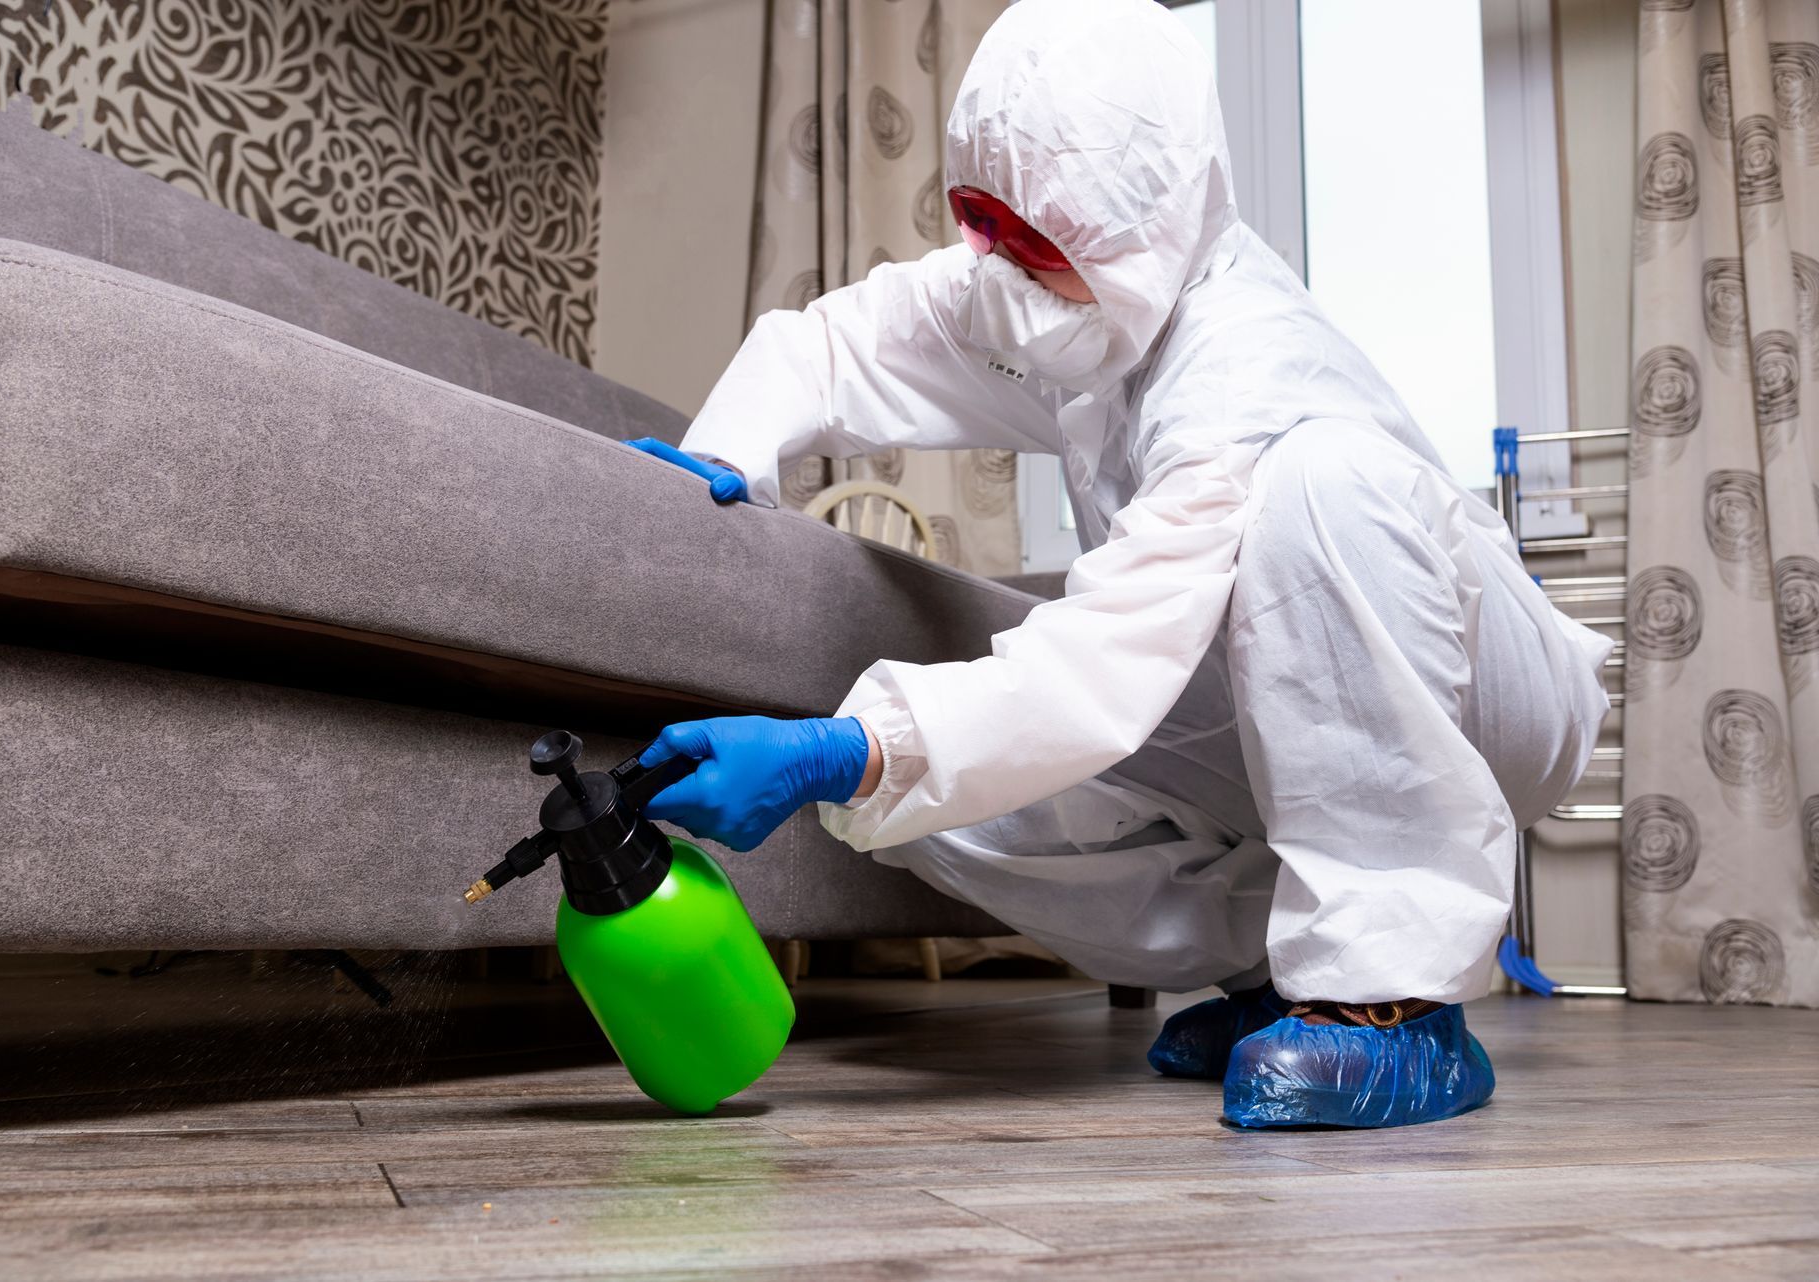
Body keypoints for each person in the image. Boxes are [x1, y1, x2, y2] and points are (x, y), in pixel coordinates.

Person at [624, 0, 1610, 1128]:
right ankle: (1286, 978)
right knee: (937, 800)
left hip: (1489, 707)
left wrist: (833, 746)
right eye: (982, 223)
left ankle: (1386, 994)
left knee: (1315, 485)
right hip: (1271, 696)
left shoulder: (1242, 367)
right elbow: (836, 345)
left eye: (1040, 248)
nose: (1004, 272)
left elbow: (1102, 664)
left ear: (1146, 224)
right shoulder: (1057, 291)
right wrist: (720, 459)